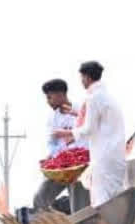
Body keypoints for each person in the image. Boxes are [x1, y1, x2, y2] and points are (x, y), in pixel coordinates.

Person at [69, 61, 126, 206]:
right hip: (115, 156)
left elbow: (89, 129)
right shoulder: (108, 97)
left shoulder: (93, 98)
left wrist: (69, 133)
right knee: (114, 199)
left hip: (103, 158)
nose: (81, 81)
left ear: (86, 78)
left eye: (82, 78)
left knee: (102, 201)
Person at [33, 78, 90, 211]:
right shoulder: (52, 118)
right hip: (62, 167)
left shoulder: (81, 109)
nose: (48, 102)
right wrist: (50, 157)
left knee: (79, 207)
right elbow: (52, 143)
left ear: (61, 95)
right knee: (40, 199)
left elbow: (93, 131)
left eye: (50, 97)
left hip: (82, 168)